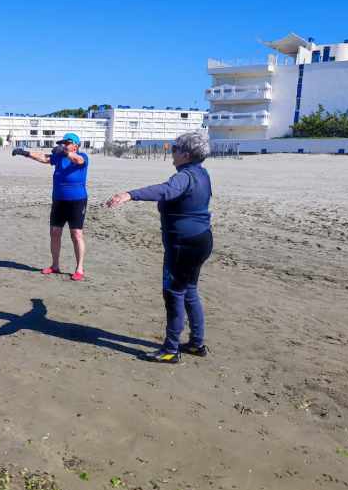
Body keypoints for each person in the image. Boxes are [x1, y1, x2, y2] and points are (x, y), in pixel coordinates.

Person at [105, 131, 213, 364]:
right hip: (201, 240)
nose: (172, 153)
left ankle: (171, 349)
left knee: (174, 293)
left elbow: (166, 190)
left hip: (184, 245)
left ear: (186, 154)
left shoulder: (185, 176)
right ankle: (196, 343)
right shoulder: (202, 173)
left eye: (175, 149)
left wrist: (130, 195)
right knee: (189, 290)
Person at [12, 133, 88, 280]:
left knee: (76, 234)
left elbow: (77, 160)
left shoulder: (82, 156)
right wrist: (25, 153)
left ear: (76, 145)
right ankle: (55, 265)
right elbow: (44, 158)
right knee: (55, 232)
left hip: (77, 201)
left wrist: (65, 152)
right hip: (58, 200)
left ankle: (79, 269)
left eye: (67, 143)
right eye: (63, 143)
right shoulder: (59, 157)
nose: (64, 145)